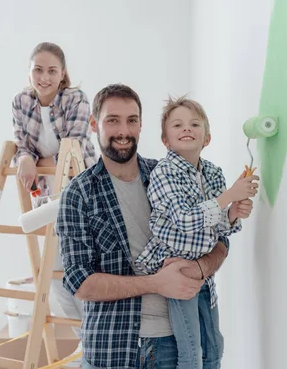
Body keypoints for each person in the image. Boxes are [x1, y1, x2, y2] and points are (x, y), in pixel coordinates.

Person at [56, 84, 255, 368]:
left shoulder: (167, 173)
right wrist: (157, 283)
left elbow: (219, 236)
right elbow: (79, 282)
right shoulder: (78, 194)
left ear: (141, 126)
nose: (123, 130)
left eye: (132, 120)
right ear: (93, 124)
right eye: (112, 120)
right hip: (112, 348)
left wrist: (201, 267)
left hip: (174, 345)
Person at [134, 96, 258, 368]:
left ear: (207, 138)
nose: (186, 129)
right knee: (191, 351)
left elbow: (220, 226)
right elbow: (185, 219)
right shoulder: (164, 172)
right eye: (177, 125)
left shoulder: (213, 173)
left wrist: (234, 210)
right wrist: (228, 197)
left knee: (215, 347)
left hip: (204, 271)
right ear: (166, 140)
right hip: (176, 268)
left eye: (194, 124)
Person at [11, 41, 98, 367]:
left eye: (51, 71)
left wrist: (33, 159)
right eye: (38, 69)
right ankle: (87, 342)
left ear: (62, 75)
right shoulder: (21, 101)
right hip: (48, 193)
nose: (43, 77)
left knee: (80, 266)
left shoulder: (75, 99)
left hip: (80, 188)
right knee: (54, 272)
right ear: (30, 71)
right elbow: (21, 142)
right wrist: (24, 156)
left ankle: (94, 343)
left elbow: (72, 147)